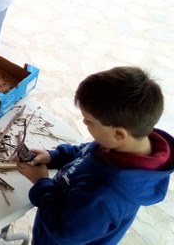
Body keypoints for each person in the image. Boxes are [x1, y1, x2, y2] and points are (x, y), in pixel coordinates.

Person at [16, 66, 174, 244]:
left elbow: (62, 231)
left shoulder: (105, 196)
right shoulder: (121, 143)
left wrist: (41, 183)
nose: (84, 122)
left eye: (89, 121)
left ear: (119, 134)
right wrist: (54, 156)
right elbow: (87, 151)